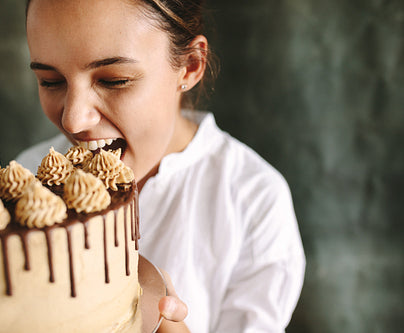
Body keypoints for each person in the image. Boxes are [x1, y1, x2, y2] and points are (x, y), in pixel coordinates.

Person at [18, 0, 306, 332]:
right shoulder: (28, 180)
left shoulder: (252, 200)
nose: (73, 119)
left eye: (114, 80)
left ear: (190, 66)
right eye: (51, 81)